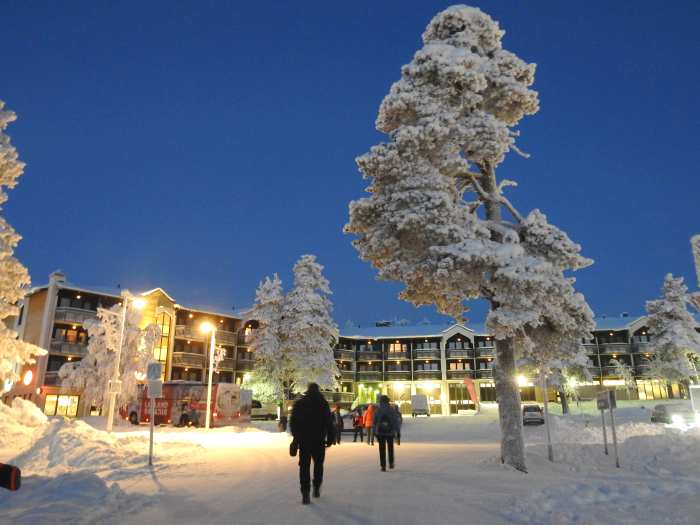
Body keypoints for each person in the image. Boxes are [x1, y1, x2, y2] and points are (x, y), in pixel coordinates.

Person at [289, 383, 335, 505]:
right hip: (319, 440)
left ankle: (305, 492)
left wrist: (296, 438)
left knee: (304, 466)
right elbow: (329, 422)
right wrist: (331, 436)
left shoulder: (300, 403)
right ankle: (316, 487)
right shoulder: (323, 404)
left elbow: (293, 422)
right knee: (318, 464)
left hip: (304, 441)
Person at [373, 395, 401, 471]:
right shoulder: (391, 410)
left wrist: (374, 432)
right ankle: (391, 463)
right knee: (390, 448)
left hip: (380, 432)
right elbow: (396, 422)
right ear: (388, 401)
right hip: (390, 432)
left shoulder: (378, 410)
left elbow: (374, 422)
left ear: (381, 401)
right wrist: (398, 432)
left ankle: (383, 466)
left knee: (381, 449)